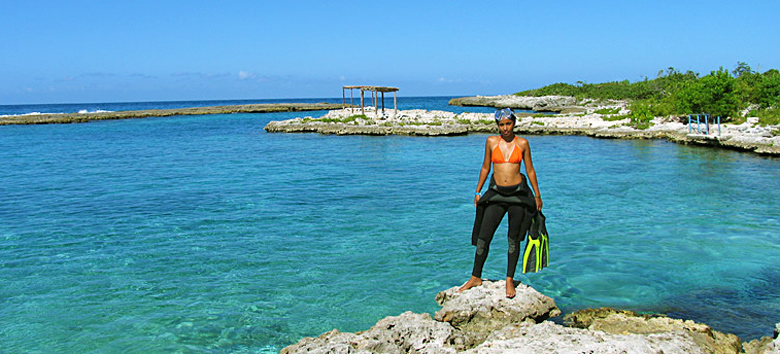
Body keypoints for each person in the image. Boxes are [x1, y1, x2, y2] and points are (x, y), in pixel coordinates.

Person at [459, 108, 543, 298]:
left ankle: (509, 280)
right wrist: (478, 191)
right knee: (483, 236)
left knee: (513, 240)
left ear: (514, 123)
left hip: (518, 196)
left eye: (508, 124)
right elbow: (486, 167)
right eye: (501, 124)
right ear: (497, 125)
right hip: (496, 194)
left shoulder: (522, 144)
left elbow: (530, 171)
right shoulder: (491, 142)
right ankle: (475, 277)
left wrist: (537, 195)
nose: (505, 128)